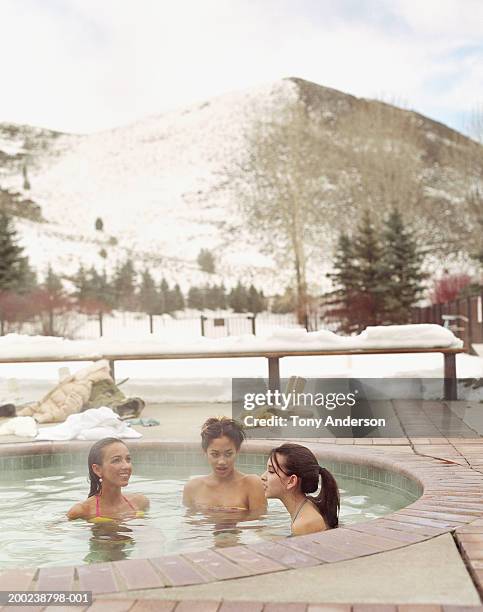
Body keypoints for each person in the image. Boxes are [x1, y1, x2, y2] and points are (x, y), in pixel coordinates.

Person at [183, 417, 266, 515]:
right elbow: (189, 526)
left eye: (228, 454)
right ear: (205, 452)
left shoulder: (252, 484)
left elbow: (259, 525)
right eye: (215, 454)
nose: (222, 462)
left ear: (237, 451)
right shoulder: (192, 488)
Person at [261, 442, 339, 536]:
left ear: (291, 481)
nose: (263, 477)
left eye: (271, 471)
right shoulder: (308, 505)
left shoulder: (303, 524)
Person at [67, 437, 149, 522]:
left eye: (128, 459)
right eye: (116, 460)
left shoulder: (140, 502)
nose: (126, 466)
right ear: (97, 469)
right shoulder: (83, 511)